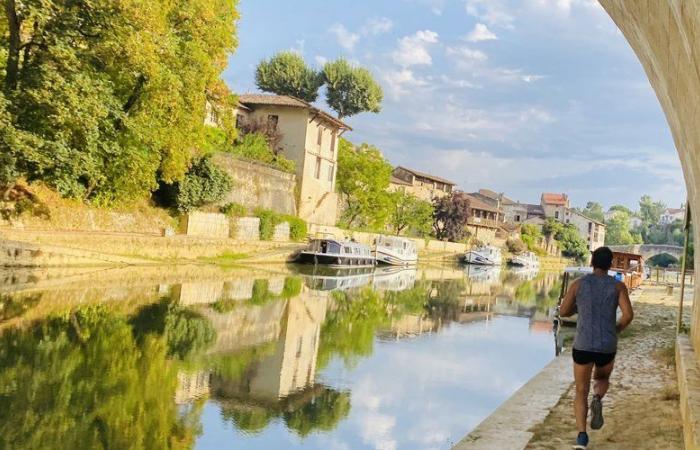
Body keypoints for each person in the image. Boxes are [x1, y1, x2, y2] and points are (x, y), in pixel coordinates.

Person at [559, 246, 634, 449]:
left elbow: (564, 312)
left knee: (580, 391)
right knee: (602, 379)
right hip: (606, 346)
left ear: (592, 263)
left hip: (583, 344)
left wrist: (579, 306)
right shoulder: (618, 287)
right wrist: (616, 330)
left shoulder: (578, 285)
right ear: (610, 264)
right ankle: (598, 398)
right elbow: (628, 315)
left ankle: (582, 437)